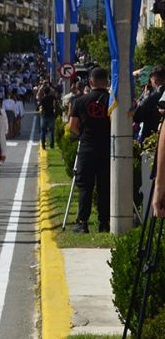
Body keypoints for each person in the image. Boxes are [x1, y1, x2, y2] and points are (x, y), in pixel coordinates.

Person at [69, 67, 111, 233]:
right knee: (104, 186)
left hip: (87, 147)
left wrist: (84, 135)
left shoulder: (79, 101)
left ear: (90, 82)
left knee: (85, 186)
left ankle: (82, 222)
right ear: (107, 82)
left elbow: (72, 126)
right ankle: (104, 222)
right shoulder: (111, 100)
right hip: (107, 147)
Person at [134, 66, 165, 142]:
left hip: (150, 138)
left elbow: (137, 117)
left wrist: (143, 97)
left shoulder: (150, 98)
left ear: (154, 80)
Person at [37, 85, 60, 150]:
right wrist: (50, 90)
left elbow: (37, 96)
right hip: (51, 115)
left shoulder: (42, 98)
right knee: (51, 131)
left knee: (43, 131)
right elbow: (55, 95)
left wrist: (40, 89)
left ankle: (43, 144)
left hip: (44, 116)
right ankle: (51, 144)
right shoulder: (51, 98)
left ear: (44, 92)